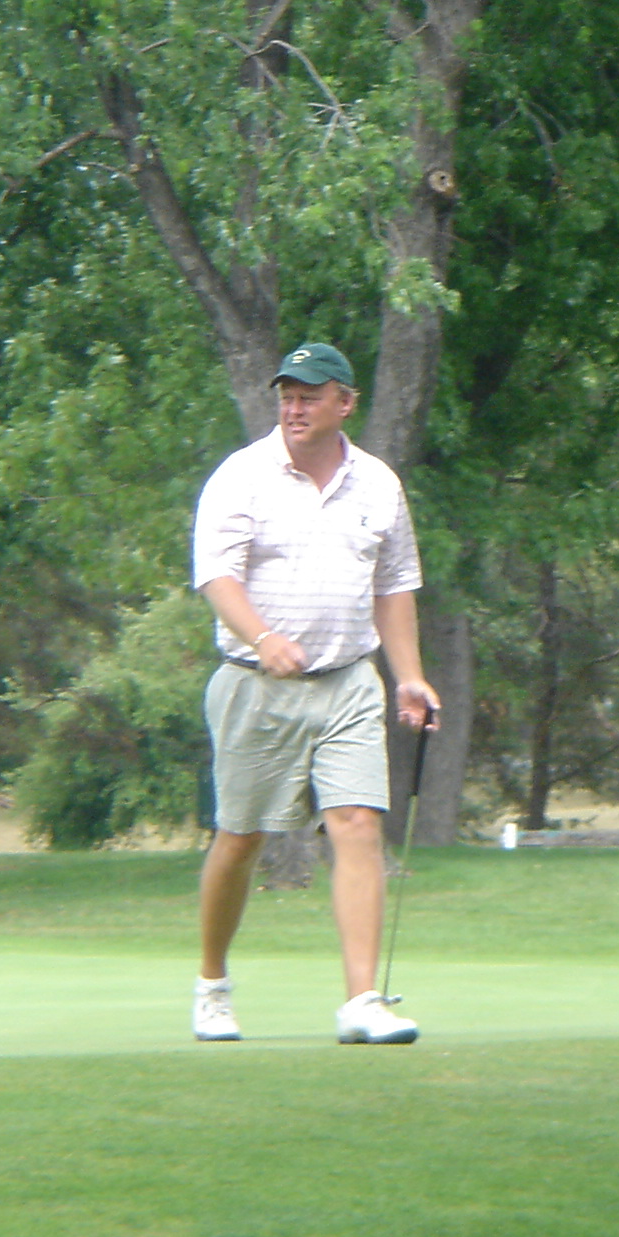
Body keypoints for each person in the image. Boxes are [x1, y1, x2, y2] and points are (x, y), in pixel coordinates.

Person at [190, 342, 440, 1045]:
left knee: (358, 823)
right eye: (287, 396)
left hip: (349, 681)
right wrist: (264, 636)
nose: (294, 408)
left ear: (344, 402)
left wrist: (409, 675)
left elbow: (393, 587)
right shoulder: (241, 477)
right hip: (253, 683)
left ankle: (362, 1001)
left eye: (308, 395)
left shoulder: (379, 485)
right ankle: (212, 982)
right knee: (240, 839)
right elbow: (217, 577)